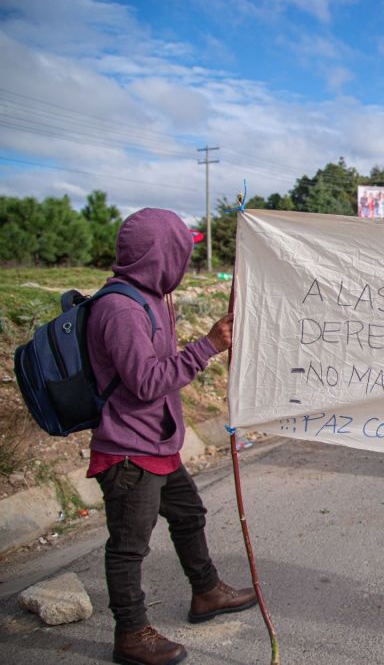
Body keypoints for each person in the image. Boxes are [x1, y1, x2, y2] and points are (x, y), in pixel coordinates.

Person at [86, 208, 257, 665]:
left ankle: (206, 592)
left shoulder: (155, 296)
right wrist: (207, 347)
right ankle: (131, 634)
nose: (184, 259)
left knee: (188, 513)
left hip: (158, 442)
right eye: (181, 250)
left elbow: (160, 368)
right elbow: (144, 381)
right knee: (128, 546)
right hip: (127, 451)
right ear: (162, 254)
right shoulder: (119, 307)